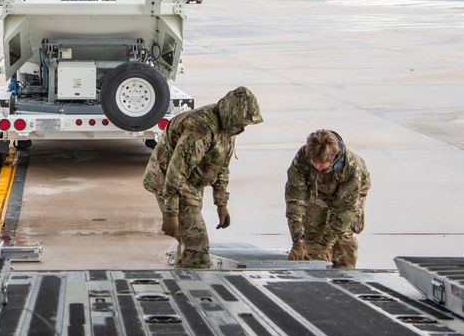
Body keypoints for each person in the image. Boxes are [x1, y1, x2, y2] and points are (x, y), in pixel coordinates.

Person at [143, 86, 263, 268]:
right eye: (242, 122)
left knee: (189, 240)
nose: (244, 127)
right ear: (231, 113)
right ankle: (194, 283)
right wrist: (171, 213)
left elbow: (222, 166)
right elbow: (176, 172)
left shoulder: (229, 128)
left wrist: (221, 203)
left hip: (190, 182)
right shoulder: (201, 129)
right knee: (197, 241)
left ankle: (183, 275)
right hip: (168, 181)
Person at [285, 130, 370, 268]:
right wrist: (297, 241)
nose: (317, 166)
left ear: (334, 156)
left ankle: (345, 274)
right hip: (319, 188)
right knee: (311, 234)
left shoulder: (352, 168)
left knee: (343, 237)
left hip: (349, 193)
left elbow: (343, 211)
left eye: (322, 163)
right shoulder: (303, 157)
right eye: (314, 162)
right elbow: (295, 200)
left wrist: (326, 245)